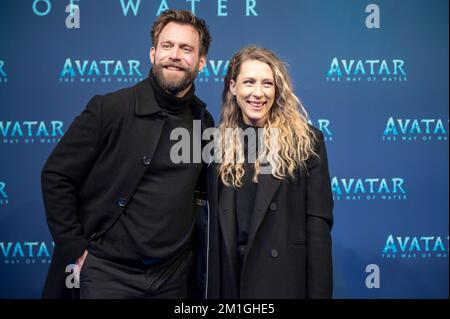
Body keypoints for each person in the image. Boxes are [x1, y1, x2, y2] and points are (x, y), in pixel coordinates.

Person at [41, 9, 214, 299]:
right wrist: (76, 250)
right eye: (167, 46)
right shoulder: (109, 109)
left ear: (201, 62)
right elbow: (56, 175)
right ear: (152, 53)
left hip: (172, 278)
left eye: (186, 49)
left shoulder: (203, 122)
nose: (174, 55)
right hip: (107, 273)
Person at [206, 46, 334, 298]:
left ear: (277, 90)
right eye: (249, 82)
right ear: (233, 87)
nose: (258, 93)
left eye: (267, 84)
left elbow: (317, 226)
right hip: (230, 281)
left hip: (282, 282)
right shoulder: (215, 143)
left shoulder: (307, 142)